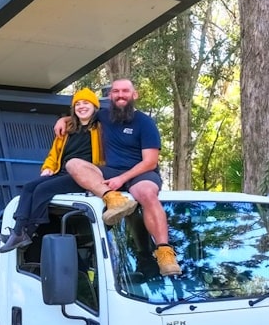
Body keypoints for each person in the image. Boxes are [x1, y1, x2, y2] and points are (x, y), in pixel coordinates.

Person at [56, 78, 180, 276]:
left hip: (142, 173)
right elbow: (81, 115)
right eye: (116, 92)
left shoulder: (145, 123)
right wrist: (63, 120)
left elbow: (150, 161)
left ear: (134, 95)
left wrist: (122, 180)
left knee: (146, 193)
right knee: (73, 164)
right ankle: (113, 199)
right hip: (111, 171)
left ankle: (164, 252)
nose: (120, 95)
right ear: (110, 96)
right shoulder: (104, 116)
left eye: (125, 91)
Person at [0, 88, 105, 253]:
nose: (82, 106)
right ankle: (18, 231)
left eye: (86, 103)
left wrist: (64, 118)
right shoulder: (67, 129)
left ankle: (27, 232)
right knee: (28, 187)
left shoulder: (102, 128)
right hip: (62, 172)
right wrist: (48, 168)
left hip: (84, 176)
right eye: (78, 104)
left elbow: (117, 114)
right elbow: (53, 154)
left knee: (43, 190)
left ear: (95, 107)